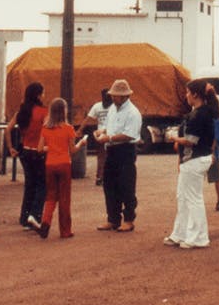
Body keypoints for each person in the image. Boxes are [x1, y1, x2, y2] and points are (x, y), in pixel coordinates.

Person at [166, 81, 217, 249]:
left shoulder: (199, 114)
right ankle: (180, 233)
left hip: (195, 160)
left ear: (195, 94)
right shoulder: (200, 113)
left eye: (188, 92)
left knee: (193, 199)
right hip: (194, 160)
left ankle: (198, 238)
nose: (186, 95)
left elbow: (190, 141)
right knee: (183, 197)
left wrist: (174, 138)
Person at [36, 97, 87, 239]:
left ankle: (45, 222)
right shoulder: (69, 129)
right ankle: (65, 231)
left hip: (50, 165)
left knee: (51, 196)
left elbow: (40, 149)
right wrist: (82, 143)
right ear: (64, 111)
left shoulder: (45, 128)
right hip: (64, 164)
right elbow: (73, 150)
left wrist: (51, 148)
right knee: (64, 198)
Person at [96, 78, 142, 232]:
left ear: (124, 96)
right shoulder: (113, 109)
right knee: (109, 184)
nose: (112, 97)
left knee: (126, 185)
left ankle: (129, 219)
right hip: (112, 151)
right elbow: (108, 126)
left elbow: (129, 135)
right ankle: (113, 219)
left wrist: (108, 137)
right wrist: (102, 131)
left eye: (115, 95)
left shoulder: (132, 112)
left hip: (125, 150)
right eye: (113, 95)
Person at [6, 82, 48, 230]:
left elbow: (8, 129)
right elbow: (46, 132)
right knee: (42, 184)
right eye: (43, 93)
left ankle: (24, 217)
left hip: (25, 151)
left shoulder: (21, 112)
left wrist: (11, 147)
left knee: (30, 184)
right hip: (39, 151)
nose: (44, 95)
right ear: (38, 95)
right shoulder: (43, 112)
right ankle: (35, 215)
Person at [79, 87, 113, 186]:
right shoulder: (115, 107)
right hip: (110, 134)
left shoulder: (97, 106)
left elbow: (87, 119)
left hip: (100, 135)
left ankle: (99, 177)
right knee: (110, 157)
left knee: (101, 157)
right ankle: (108, 178)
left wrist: (80, 130)